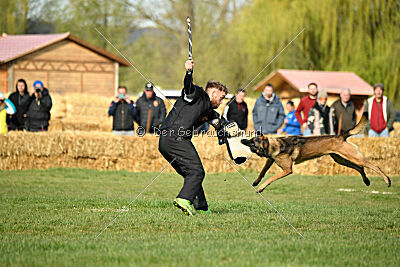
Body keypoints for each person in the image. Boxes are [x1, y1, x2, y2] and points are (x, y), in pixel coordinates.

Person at [158, 59, 229, 216]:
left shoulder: (209, 110)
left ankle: (201, 207)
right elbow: (188, 86)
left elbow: (220, 123)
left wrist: (228, 134)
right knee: (197, 172)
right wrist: (189, 71)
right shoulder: (197, 94)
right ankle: (183, 199)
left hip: (165, 141)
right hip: (175, 137)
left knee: (191, 173)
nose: (222, 101)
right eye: (222, 97)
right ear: (213, 92)